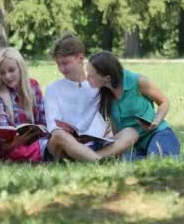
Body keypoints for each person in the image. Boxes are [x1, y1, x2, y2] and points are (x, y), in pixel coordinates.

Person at [44, 33, 138, 162]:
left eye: (65, 63)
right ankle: (97, 160)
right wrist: (72, 137)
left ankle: (90, 157)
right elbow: (52, 126)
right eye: (58, 64)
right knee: (58, 135)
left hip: (92, 143)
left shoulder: (98, 86)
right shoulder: (53, 89)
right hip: (63, 146)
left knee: (131, 132)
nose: (61, 68)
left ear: (80, 58)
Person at [86, 51, 180, 160]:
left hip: (158, 134)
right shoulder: (105, 94)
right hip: (135, 144)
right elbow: (116, 128)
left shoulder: (138, 81)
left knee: (157, 160)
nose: (87, 78)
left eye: (91, 76)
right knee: (126, 162)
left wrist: (156, 121)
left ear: (107, 78)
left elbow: (164, 101)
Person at [0, 47, 47, 163]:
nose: (7, 77)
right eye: (3, 73)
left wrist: (39, 130)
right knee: (18, 152)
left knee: (48, 144)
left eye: (11, 70)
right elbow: (1, 138)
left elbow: (43, 121)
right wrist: (17, 142)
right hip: (12, 147)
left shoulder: (33, 86)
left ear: (21, 68)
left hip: (37, 141)